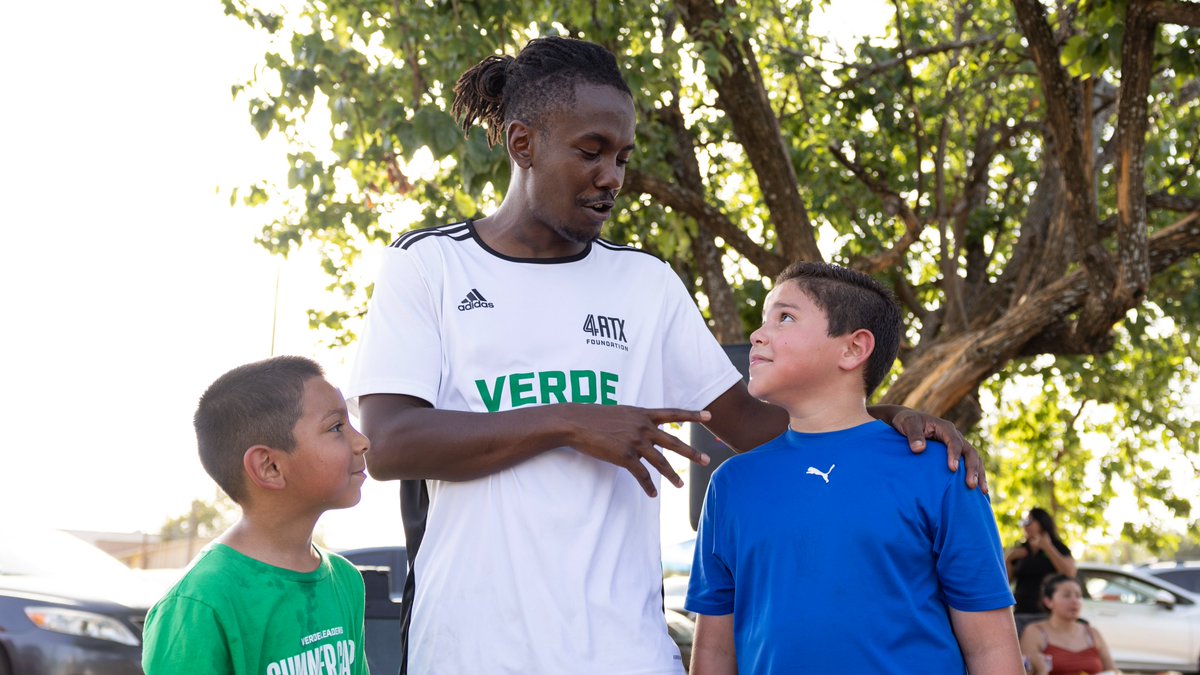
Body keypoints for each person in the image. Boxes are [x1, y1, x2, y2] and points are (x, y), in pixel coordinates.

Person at [347, 36, 987, 675]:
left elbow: (758, 428)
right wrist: (569, 421)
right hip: (469, 653)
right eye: (590, 152)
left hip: (627, 655)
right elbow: (394, 444)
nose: (612, 177)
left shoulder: (645, 284)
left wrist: (887, 421)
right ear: (523, 144)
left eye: (622, 157)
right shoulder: (429, 264)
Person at [684, 261, 1021, 674]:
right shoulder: (731, 485)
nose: (758, 334)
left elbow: (991, 650)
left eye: (784, 317)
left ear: (853, 349)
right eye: (762, 319)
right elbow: (715, 653)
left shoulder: (939, 469)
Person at [142, 356, 371, 674]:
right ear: (270, 466)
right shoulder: (199, 604)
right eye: (336, 427)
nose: (362, 442)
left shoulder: (345, 581)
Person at [1019, 575, 1118, 674]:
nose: (1075, 601)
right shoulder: (1034, 632)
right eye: (1067, 595)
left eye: (1078, 596)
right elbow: (1025, 670)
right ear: (1048, 601)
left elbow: (1112, 671)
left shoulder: (1092, 633)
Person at [1007, 507, 1076, 633]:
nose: (1025, 526)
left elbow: (1070, 573)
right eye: (1024, 522)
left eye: (1029, 521)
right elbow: (1007, 582)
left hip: (1048, 615)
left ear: (1042, 522)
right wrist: (1008, 559)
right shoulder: (1021, 549)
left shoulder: (1058, 547)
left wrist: (1048, 548)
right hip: (1022, 612)